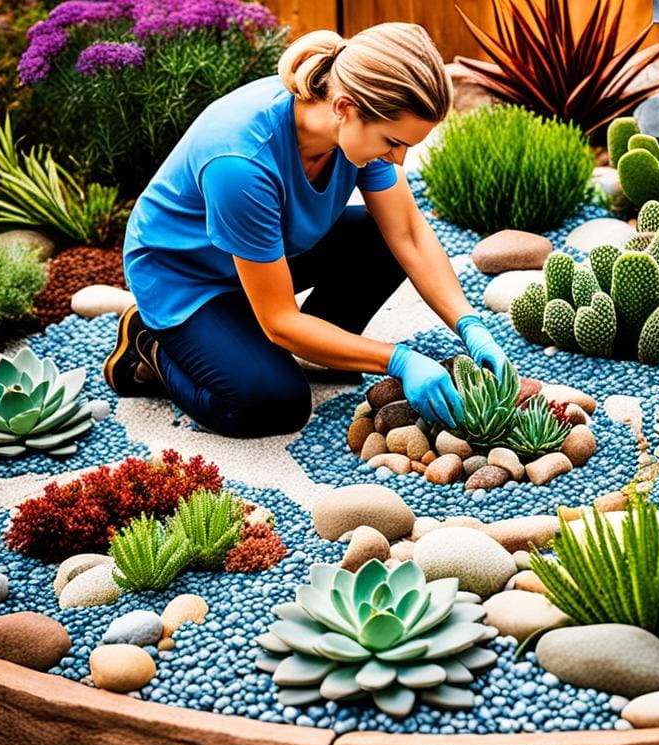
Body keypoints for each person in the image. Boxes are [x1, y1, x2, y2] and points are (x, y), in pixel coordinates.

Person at [103, 22, 511, 437]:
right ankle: (152, 346)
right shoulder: (242, 163)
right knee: (273, 404)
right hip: (187, 278)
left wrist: (469, 325)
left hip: (265, 256)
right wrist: (397, 359)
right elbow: (279, 319)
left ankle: (313, 348)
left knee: (381, 240)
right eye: (392, 141)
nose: (399, 159)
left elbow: (406, 232)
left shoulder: (352, 132)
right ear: (344, 107)